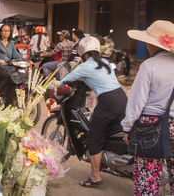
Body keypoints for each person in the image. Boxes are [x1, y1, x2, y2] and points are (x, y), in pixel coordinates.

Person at [59, 36, 127, 187]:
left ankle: (95, 177)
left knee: (94, 137)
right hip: (121, 99)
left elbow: (64, 81)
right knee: (115, 132)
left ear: (83, 52)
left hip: (108, 102)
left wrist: (56, 84)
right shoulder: (104, 62)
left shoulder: (85, 66)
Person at [121, 20, 174, 195]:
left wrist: (127, 127)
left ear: (153, 44)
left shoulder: (149, 66)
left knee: (147, 177)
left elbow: (137, 101)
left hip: (150, 126)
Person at [0, 24, 24, 105]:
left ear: (10, 33)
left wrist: (25, 60)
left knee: (14, 82)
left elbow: (16, 55)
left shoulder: (11, 43)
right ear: (1, 32)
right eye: (4, 30)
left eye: (8, 31)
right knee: (7, 77)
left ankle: (7, 106)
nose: (6, 32)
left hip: (8, 68)